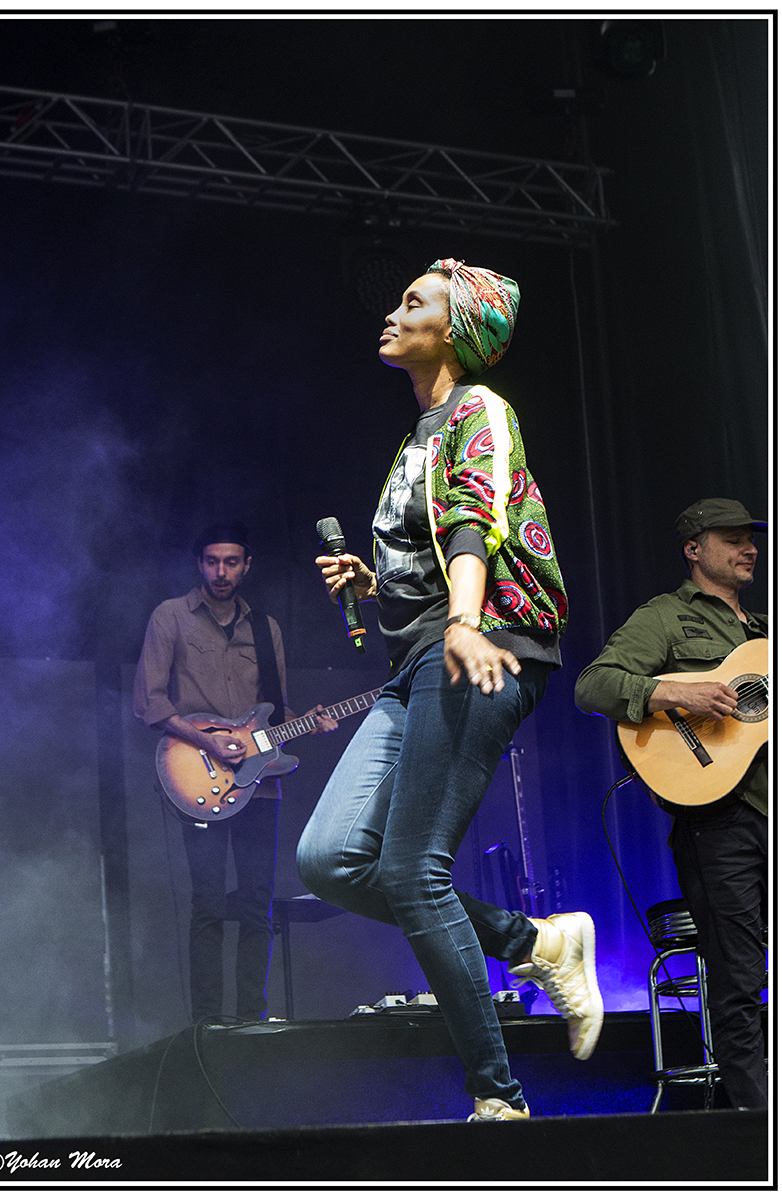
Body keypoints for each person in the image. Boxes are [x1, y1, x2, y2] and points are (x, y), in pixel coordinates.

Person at [297, 258, 604, 1122]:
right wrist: (373, 583)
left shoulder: (479, 410)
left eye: (414, 303)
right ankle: (533, 941)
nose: (393, 314)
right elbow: (429, 555)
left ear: (455, 330)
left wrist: (466, 621)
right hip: (416, 659)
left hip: (482, 646)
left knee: (411, 870)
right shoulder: (416, 437)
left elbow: (475, 524)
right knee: (329, 861)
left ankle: (496, 1098)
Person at [574, 498, 768, 1110]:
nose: (750, 549)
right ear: (694, 549)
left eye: (751, 539)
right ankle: (757, 1126)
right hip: (721, 819)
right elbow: (593, 686)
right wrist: (676, 691)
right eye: (733, 539)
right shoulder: (664, 616)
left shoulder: (767, 630)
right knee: (739, 977)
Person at [134, 521, 337, 1024]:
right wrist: (208, 742)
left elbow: (275, 714)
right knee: (207, 903)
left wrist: (310, 723)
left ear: (247, 566)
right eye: (212, 562)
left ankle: (252, 1020)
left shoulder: (266, 629)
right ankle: (207, 1025)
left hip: (259, 786)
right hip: (197, 775)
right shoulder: (170, 617)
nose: (221, 572)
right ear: (199, 564)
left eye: (230, 562)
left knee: (256, 904)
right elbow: (149, 703)